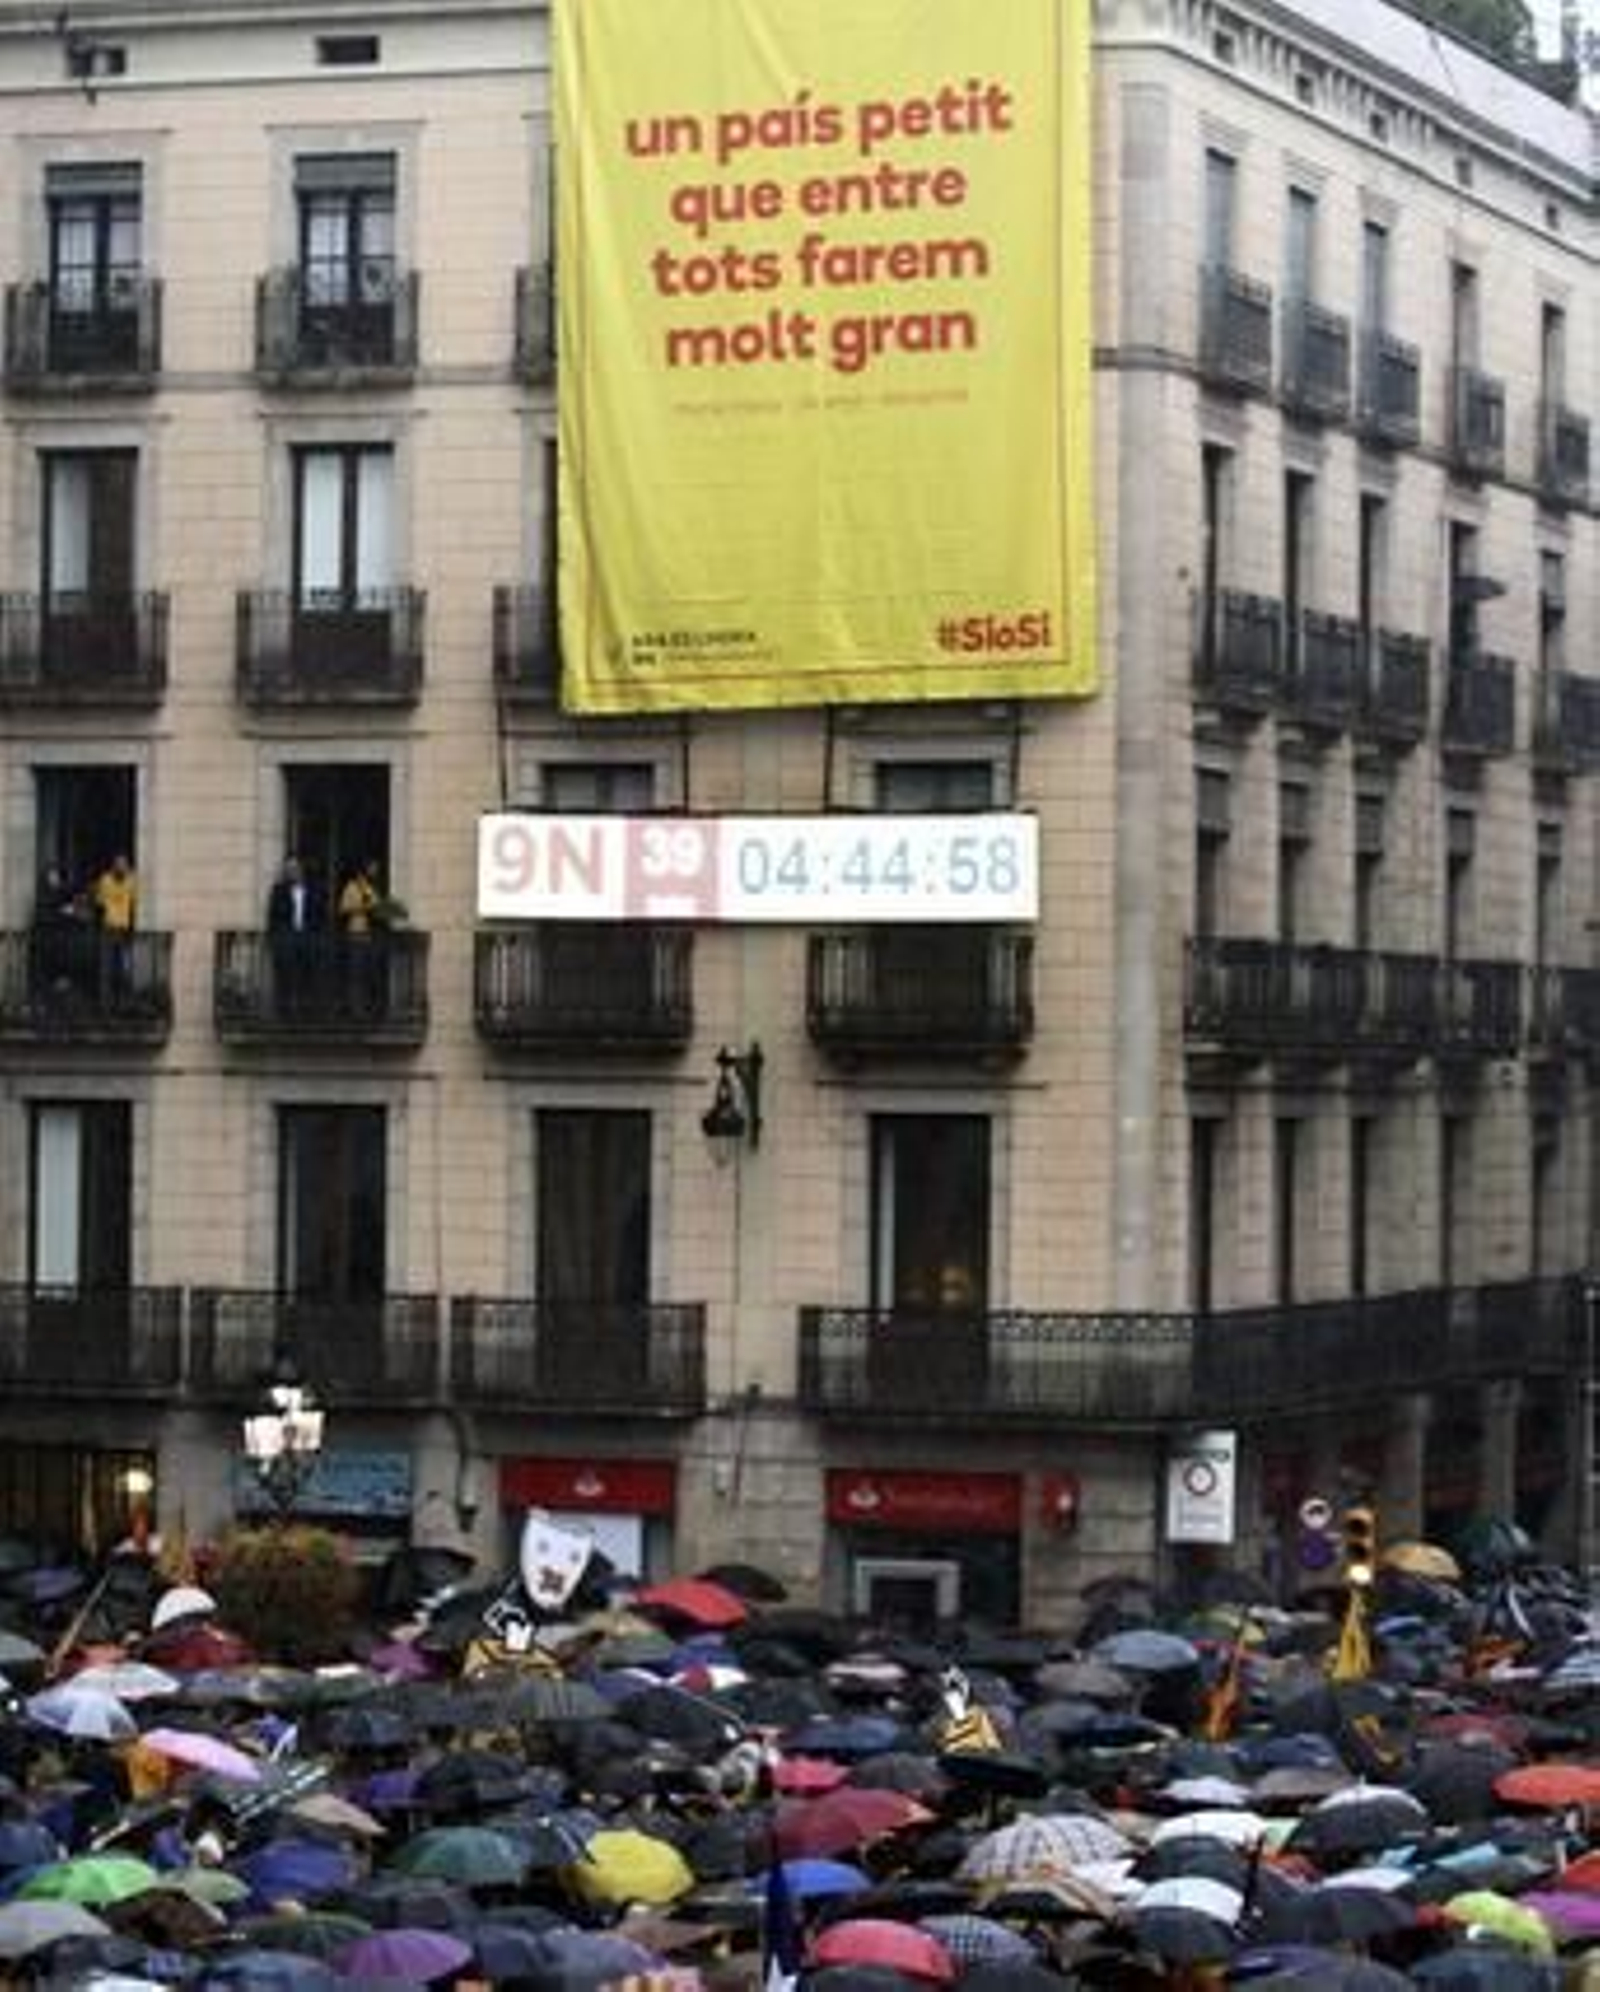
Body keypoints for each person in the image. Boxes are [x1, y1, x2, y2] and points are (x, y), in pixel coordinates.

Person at [265, 854, 321, 1018]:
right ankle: (284, 1011)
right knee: (285, 976)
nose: (292, 872)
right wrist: (273, 939)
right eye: (288, 869)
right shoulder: (278, 890)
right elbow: (272, 915)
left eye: (294, 868)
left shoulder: (312, 889)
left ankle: (305, 1011)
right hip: (286, 938)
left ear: (301, 869)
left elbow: (319, 913)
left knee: (306, 975)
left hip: (307, 938)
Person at [92, 851, 138, 1008]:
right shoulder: (105, 880)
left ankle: (122, 1002)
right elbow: (99, 903)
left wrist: (132, 928)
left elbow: (134, 904)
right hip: (108, 928)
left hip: (124, 929)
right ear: (113, 865)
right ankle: (105, 1003)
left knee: (124, 968)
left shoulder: (132, 881)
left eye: (124, 864)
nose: (121, 867)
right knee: (106, 967)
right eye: (118, 864)